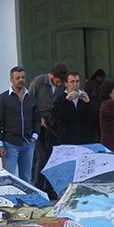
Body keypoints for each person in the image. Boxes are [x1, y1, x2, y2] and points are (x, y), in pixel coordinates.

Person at [0, 66, 40, 183]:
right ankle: (10, 201)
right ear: (11, 80)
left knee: (26, 178)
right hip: (10, 145)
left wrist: (34, 137)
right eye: (17, 78)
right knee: (8, 178)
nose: (21, 80)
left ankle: (27, 201)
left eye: (23, 77)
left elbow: (37, 119)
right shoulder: (3, 98)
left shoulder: (31, 97)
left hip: (28, 143)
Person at [28, 62, 68, 191]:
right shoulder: (39, 82)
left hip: (52, 126)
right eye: (58, 80)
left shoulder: (61, 86)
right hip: (38, 125)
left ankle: (49, 190)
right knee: (41, 156)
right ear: (52, 76)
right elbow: (29, 102)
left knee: (52, 157)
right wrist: (38, 119)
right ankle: (37, 188)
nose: (60, 83)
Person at [51, 71, 98, 145]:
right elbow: (57, 116)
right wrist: (66, 101)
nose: (75, 84)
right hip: (67, 139)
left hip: (85, 139)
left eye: (77, 81)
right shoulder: (61, 98)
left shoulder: (85, 96)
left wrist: (88, 103)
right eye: (72, 82)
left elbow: (94, 117)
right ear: (66, 84)